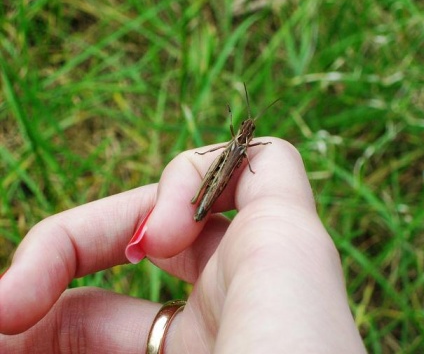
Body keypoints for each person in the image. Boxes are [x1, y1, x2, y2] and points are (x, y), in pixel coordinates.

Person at [0, 138, 366, 353]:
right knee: (203, 184)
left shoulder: (255, 154)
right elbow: (222, 161)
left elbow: (246, 159)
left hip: (223, 183)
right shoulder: (237, 146)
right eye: (245, 131)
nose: (247, 133)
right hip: (211, 181)